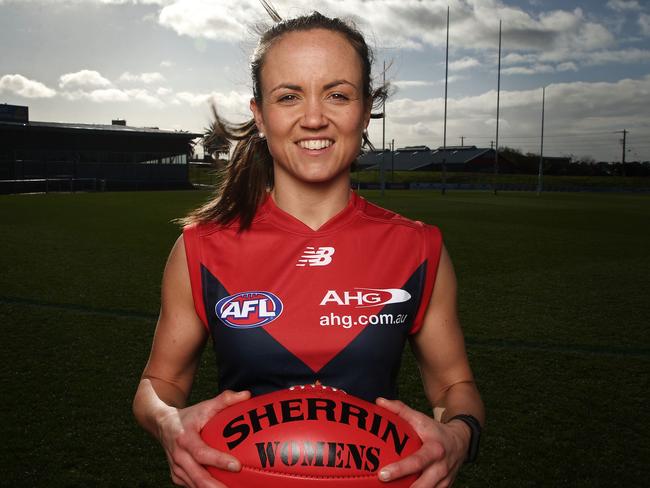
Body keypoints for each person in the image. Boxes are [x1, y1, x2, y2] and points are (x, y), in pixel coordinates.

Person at [133, 11, 484, 488]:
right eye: (289, 96)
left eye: (338, 95)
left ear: (365, 111)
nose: (314, 117)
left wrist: (459, 435)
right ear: (260, 115)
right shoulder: (201, 247)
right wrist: (167, 423)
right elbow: (161, 385)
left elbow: (453, 385)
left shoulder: (418, 248)